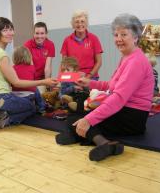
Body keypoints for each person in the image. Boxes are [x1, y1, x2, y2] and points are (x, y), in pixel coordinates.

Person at [56, 14, 154, 162]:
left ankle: (102, 142)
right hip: (125, 111)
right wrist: (89, 83)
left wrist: (88, 120)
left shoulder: (136, 62)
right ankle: (79, 133)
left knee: (78, 117)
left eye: (123, 34)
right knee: (79, 111)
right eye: (116, 35)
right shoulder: (127, 57)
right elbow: (111, 86)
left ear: (135, 37)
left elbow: (118, 98)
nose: (118, 39)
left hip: (132, 118)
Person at [0, 17, 57, 132]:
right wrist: (44, 81)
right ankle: (0, 121)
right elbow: (16, 82)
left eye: (11, 29)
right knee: (31, 107)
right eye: (5, 30)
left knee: (22, 101)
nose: (10, 33)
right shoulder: (1, 55)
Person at [60, 10, 103, 80]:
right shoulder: (67, 40)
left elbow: (99, 62)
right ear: (73, 25)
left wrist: (88, 76)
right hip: (72, 77)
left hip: (91, 76)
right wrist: (63, 78)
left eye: (82, 21)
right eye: (77, 22)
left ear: (86, 24)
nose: (80, 24)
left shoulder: (94, 38)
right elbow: (64, 63)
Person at [12, 46, 46, 113]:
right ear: (29, 56)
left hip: (15, 94)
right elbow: (33, 80)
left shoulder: (12, 68)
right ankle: (41, 107)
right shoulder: (32, 68)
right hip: (29, 94)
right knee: (36, 89)